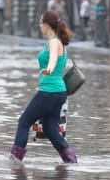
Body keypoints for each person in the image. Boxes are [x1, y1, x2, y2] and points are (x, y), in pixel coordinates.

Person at [10, 10, 77, 164]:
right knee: (50, 128)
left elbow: (53, 59)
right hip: (59, 93)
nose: (40, 26)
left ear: (46, 25)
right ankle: (70, 161)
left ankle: (15, 160)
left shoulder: (54, 42)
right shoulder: (57, 41)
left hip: (49, 91)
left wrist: (49, 69)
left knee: (24, 121)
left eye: (41, 23)